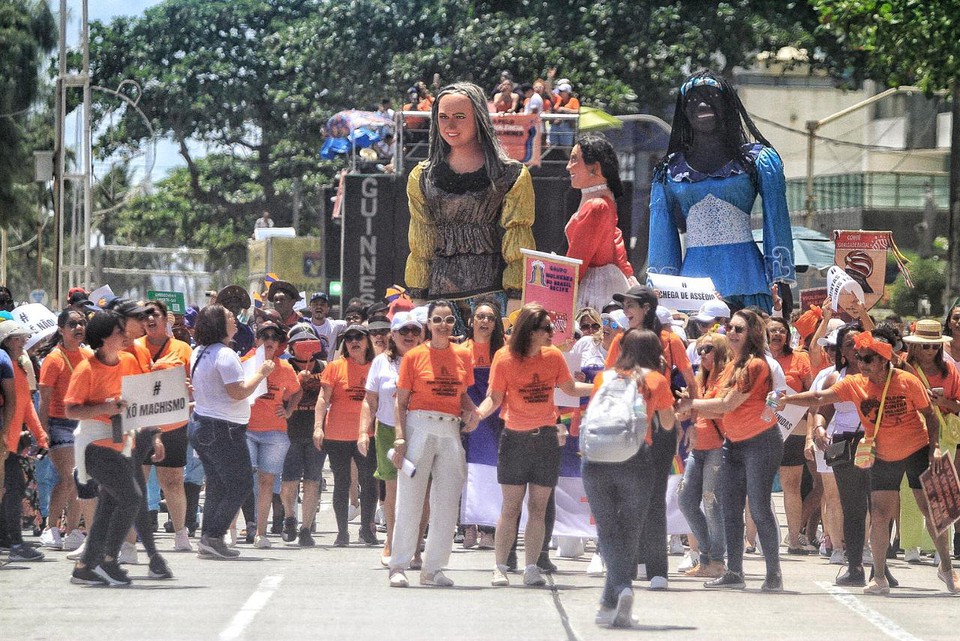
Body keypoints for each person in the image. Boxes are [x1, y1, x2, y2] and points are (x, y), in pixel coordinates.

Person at [784, 327, 959, 594]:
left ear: (883, 360)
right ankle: (878, 577)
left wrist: (935, 447)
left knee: (932, 511)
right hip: (882, 454)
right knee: (879, 514)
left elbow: (931, 417)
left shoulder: (906, 381)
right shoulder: (855, 384)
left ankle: (947, 568)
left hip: (917, 449)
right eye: (858, 356)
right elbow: (820, 398)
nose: (860, 363)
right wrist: (787, 399)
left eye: (867, 358)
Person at [648, 70, 795, 313]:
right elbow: (662, 237)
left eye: (710, 96)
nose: (702, 104)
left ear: (727, 104)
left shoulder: (758, 160)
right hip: (691, 287)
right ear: (684, 111)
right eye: (692, 100)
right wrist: (661, 291)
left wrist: (781, 277)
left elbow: (776, 219)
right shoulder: (668, 170)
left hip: (748, 278)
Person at [404, 81, 536, 331]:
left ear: (479, 119)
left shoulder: (511, 175)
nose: (450, 125)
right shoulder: (421, 177)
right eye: (443, 117)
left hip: (491, 296)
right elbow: (421, 242)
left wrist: (516, 302)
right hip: (439, 300)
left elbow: (517, 241)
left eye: (460, 116)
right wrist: (418, 300)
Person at [477, 303, 592, 587]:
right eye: (547, 329)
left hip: (546, 440)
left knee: (539, 508)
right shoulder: (503, 358)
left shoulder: (553, 356)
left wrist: (604, 384)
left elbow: (570, 389)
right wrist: (478, 414)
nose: (553, 333)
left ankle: (531, 566)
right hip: (514, 438)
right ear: (531, 331)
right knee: (510, 508)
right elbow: (494, 397)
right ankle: (500, 567)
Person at [681, 309, 785, 591]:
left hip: (761, 442)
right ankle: (735, 572)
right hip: (733, 443)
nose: (732, 332)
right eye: (730, 327)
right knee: (729, 509)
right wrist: (691, 400)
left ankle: (773, 574)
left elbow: (729, 404)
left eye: (738, 329)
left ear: (751, 333)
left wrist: (691, 405)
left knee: (760, 509)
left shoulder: (757, 365)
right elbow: (715, 401)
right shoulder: (732, 365)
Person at [583, 329, 677, 628]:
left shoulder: (604, 378)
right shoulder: (656, 380)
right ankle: (621, 590)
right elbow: (666, 422)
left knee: (607, 531)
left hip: (596, 459)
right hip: (636, 459)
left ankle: (613, 598)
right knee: (630, 531)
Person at [388, 300, 478, 587]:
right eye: (437, 320)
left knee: (448, 501)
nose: (443, 325)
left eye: (449, 320)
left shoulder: (463, 355)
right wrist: (400, 438)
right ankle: (399, 565)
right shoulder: (414, 357)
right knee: (410, 499)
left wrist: (472, 410)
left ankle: (434, 569)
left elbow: (461, 393)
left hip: (450, 429)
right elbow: (400, 402)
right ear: (428, 323)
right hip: (419, 426)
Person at [187, 304, 275, 560]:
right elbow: (238, 392)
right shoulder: (225, 355)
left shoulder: (200, 352)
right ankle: (214, 534)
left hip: (204, 424)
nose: (234, 319)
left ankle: (208, 538)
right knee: (240, 484)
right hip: (222, 428)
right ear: (217, 323)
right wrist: (261, 373)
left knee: (217, 484)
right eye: (228, 316)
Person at [63, 311, 141, 585]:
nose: (126, 335)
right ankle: (108, 559)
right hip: (95, 445)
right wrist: (106, 407)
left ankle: (85, 567)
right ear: (105, 337)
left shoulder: (129, 361)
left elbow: (140, 398)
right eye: (120, 331)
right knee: (131, 498)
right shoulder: (86, 369)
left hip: (121, 442)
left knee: (109, 505)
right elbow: (71, 410)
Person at [360, 312, 423, 565]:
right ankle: (392, 542)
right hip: (387, 430)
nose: (409, 336)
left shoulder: (425, 359)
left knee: (420, 492)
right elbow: (370, 400)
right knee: (392, 489)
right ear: (392, 335)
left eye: (414, 331)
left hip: (420, 429)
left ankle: (417, 547)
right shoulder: (380, 363)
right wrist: (363, 432)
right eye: (403, 331)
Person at [899, 320, 960, 567]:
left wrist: (943, 401)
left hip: (943, 434)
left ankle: (939, 547)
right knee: (909, 491)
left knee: (943, 490)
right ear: (914, 346)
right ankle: (911, 544)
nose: (929, 350)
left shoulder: (951, 371)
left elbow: (957, 406)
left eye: (933, 346)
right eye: (924, 345)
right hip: (909, 432)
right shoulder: (902, 366)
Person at [136, 299, 195, 552]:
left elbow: (194, 381)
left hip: (173, 424)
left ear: (165, 318)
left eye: (155, 314)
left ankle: (180, 532)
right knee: (137, 480)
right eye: (145, 315)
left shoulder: (183, 349)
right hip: (139, 424)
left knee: (172, 480)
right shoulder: (133, 348)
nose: (150, 319)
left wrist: (191, 391)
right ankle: (133, 533)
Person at [313, 324, 378, 547]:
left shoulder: (375, 367)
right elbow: (323, 399)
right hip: (337, 435)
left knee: (369, 481)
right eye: (348, 338)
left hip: (367, 434)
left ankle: (367, 529)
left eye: (358, 336)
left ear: (367, 341)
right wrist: (318, 427)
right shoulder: (335, 367)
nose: (353, 341)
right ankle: (342, 532)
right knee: (342, 482)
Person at [35, 310, 93, 552]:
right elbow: (44, 401)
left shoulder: (88, 355)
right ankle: (50, 528)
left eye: (82, 323)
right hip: (59, 424)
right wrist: (42, 432)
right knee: (69, 477)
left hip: (83, 423)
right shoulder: (53, 359)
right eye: (73, 324)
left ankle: (72, 532)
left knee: (81, 479)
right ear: (61, 329)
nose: (79, 327)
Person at [677, 332, 730, 578]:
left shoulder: (726, 379)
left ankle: (716, 561)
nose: (701, 354)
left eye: (707, 349)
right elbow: (692, 412)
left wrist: (695, 405)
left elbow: (723, 410)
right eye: (699, 350)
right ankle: (707, 555)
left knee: (711, 503)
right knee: (686, 500)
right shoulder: (699, 382)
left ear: (719, 351)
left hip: (718, 448)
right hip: (698, 450)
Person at [246, 321, 301, 548]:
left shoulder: (286, 368)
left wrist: (289, 410)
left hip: (275, 432)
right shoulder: (245, 363)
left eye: (274, 337)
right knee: (240, 480)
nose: (269, 340)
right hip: (246, 430)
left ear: (279, 344)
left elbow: (297, 392)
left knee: (267, 482)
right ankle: (230, 528)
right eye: (264, 336)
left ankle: (261, 532)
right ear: (256, 340)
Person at [565, 134, 636, 310]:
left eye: (574, 159)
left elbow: (577, 261)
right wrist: (628, 276)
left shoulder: (597, 206)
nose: (568, 166)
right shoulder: (604, 202)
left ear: (594, 168)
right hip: (608, 283)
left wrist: (562, 290)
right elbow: (616, 241)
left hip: (593, 289)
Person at [0, 320, 49, 562]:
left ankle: (11, 540)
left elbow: (26, 404)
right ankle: (15, 543)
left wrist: (40, 434)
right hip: (4, 440)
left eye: (22, 337)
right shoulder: (5, 365)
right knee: (13, 486)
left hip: (9, 442)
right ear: (5, 341)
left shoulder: (18, 367)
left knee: (13, 486)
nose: (22, 342)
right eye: (16, 338)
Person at [766, 315, 815, 554]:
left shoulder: (800, 359)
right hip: (759, 429)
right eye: (772, 331)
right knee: (756, 486)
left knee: (791, 486)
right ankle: (751, 541)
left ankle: (794, 539)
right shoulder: (756, 359)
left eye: (781, 331)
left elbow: (812, 394)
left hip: (792, 429)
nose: (777, 335)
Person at [460, 298, 506, 551]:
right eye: (480, 316)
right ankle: (467, 527)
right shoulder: (461, 350)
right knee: (466, 473)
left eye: (490, 317)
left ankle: (488, 528)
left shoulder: (503, 350)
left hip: (494, 418)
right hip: (467, 415)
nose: (485, 321)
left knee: (490, 472)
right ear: (471, 321)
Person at [279, 324, 326, 547]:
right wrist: (298, 382)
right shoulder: (284, 366)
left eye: (310, 341)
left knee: (312, 481)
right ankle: (289, 516)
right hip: (290, 426)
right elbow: (277, 396)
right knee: (288, 480)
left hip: (315, 427)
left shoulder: (325, 366)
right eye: (300, 341)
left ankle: (306, 528)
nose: (305, 345)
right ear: (291, 346)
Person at [549, 82, 579, 147]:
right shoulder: (557, 99)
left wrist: (564, 110)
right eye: (559, 91)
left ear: (568, 92)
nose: (559, 92)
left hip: (567, 125)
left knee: (566, 147)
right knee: (552, 146)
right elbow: (549, 93)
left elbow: (577, 111)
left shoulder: (573, 100)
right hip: (555, 125)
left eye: (562, 91)